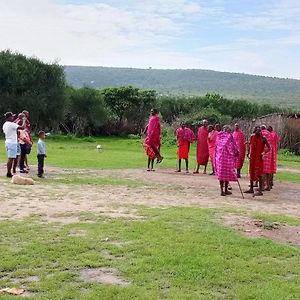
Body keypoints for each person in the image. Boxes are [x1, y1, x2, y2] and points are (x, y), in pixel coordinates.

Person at [245, 126, 271, 196]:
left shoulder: (263, 138)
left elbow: (269, 148)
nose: (258, 132)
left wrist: (263, 153)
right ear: (255, 131)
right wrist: (248, 153)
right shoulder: (252, 137)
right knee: (251, 171)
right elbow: (250, 144)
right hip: (252, 157)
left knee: (259, 173)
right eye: (257, 131)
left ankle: (260, 190)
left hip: (259, 158)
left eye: (259, 131)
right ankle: (251, 188)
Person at [215, 125, 239, 196]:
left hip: (219, 158)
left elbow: (216, 147)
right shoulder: (229, 136)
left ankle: (223, 190)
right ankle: (224, 190)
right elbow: (234, 146)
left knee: (221, 174)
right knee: (226, 173)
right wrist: (236, 152)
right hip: (228, 158)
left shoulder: (218, 136)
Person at [2, 112, 26, 177]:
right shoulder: (11, 124)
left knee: (11, 157)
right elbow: (22, 127)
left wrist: (18, 120)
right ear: (9, 117)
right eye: (12, 116)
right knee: (11, 158)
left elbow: (14, 126)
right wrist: (24, 120)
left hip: (8, 141)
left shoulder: (5, 124)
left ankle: (10, 172)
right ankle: (8, 173)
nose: (13, 117)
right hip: (12, 142)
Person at [261, 125, 274, 191]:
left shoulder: (263, 134)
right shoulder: (270, 134)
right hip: (270, 153)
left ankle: (262, 186)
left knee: (262, 170)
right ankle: (268, 186)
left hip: (264, 152)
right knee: (268, 170)